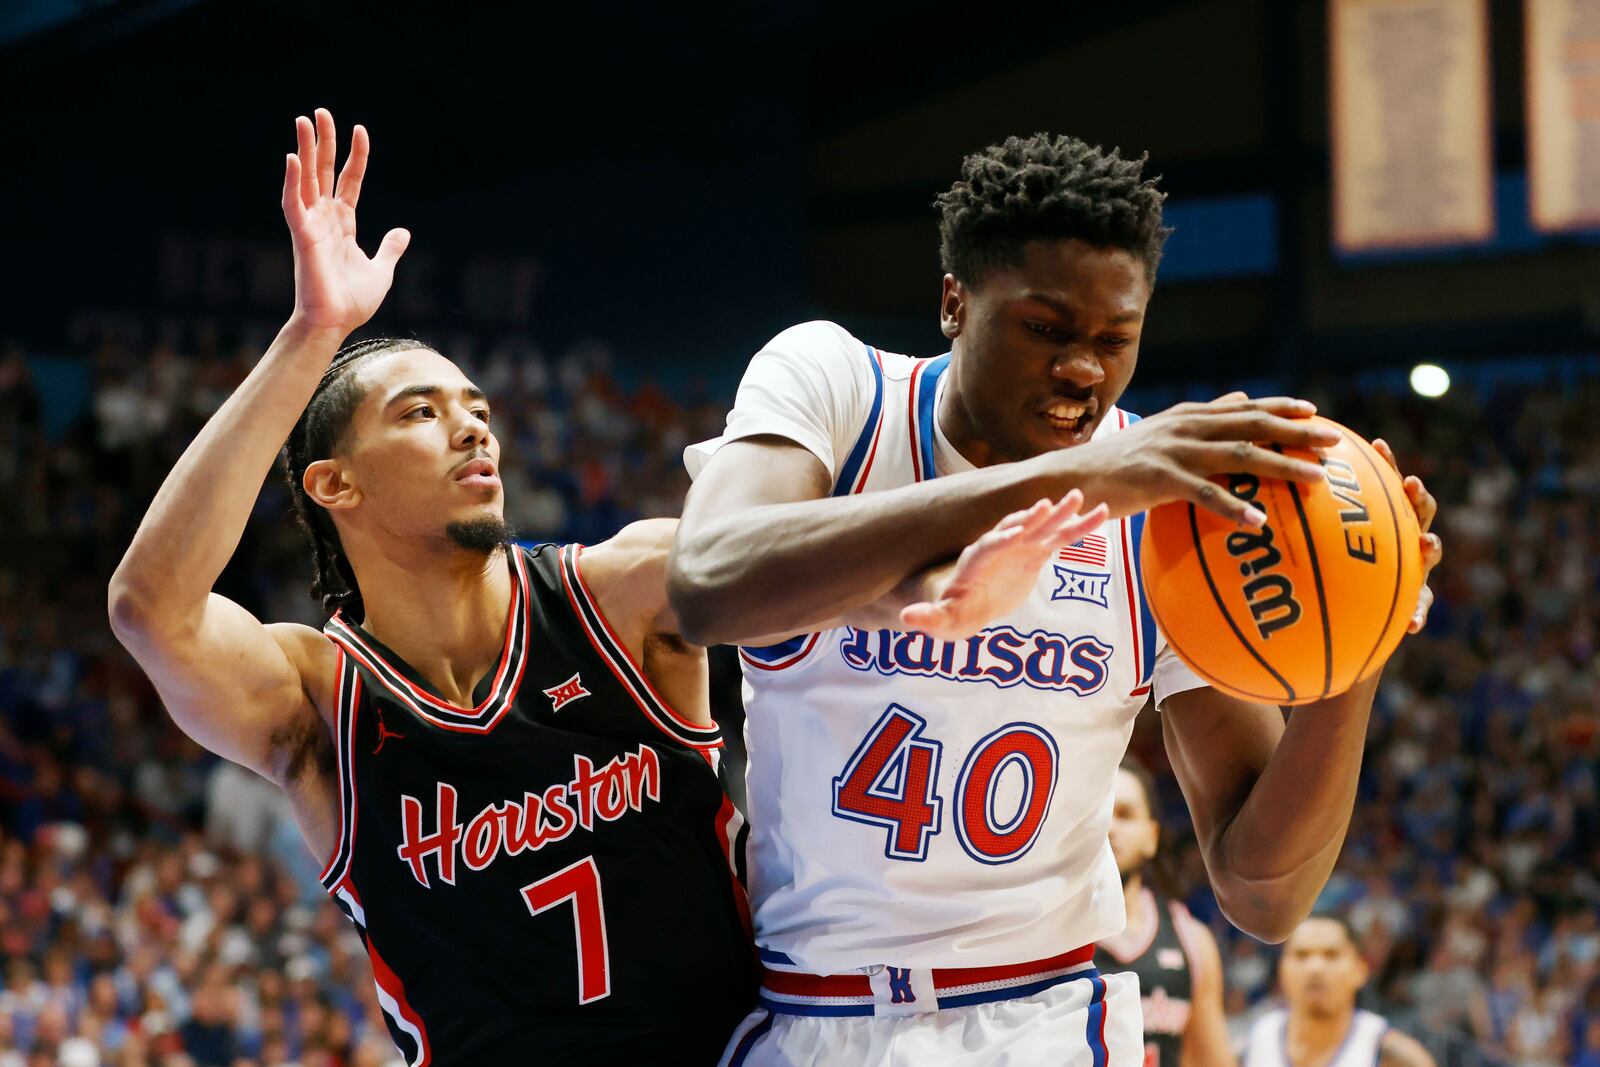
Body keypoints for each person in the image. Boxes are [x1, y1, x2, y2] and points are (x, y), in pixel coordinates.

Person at [668, 132, 1443, 1065]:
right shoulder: (838, 385)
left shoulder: (1164, 511)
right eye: (1046, 329)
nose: (1083, 367)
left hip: (1036, 1017)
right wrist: (1082, 479)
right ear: (955, 300)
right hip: (812, 1009)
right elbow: (709, 581)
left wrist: (1355, 650)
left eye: (1116, 339)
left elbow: (1263, 892)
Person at [108, 110, 756, 1065]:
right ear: (335, 484)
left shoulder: (620, 593)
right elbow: (149, 607)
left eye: (478, 409)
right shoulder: (318, 699)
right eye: (421, 411)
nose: (473, 428)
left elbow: (809, 555)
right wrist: (312, 333)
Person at [1097, 759, 1234, 1067]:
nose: (1109, 827)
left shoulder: (1191, 939)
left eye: (1125, 814)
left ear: (1152, 837)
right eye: (1099, 811)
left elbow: (1212, 1060)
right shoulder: (1043, 931)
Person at [1244, 915, 1435, 1067]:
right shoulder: (1249, 1048)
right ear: (1281, 970)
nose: (1315, 968)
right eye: (1301, 955)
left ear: (1361, 970)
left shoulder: (1396, 1056)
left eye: (1331, 955)